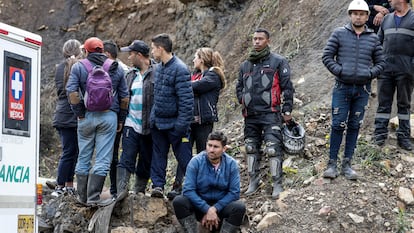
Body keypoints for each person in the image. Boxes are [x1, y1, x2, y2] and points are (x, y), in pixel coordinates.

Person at [322, 0, 385, 180]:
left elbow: (381, 62)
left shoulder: (373, 38)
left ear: (367, 16)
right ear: (350, 15)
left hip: (362, 90)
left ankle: (347, 164)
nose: (358, 16)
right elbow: (327, 56)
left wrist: (369, 73)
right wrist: (340, 71)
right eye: (355, 13)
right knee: (337, 124)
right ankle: (332, 164)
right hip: (342, 88)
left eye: (361, 14)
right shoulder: (339, 34)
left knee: (354, 125)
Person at [66, 37, 129, 206]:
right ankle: (94, 198)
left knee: (84, 155)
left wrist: (79, 112)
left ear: (86, 51)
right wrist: (121, 118)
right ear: (102, 51)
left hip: (86, 116)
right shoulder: (115, 67)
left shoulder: (79, 67)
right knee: (102, 158)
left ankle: (82, 197)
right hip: (109, 116)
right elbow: (124, 97)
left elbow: (71, 92)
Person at [236, 28, 294, 199]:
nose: (256, 42)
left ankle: (277, 184)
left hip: (271, 113)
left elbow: (287, 87)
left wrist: (287, 110)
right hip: (250, 115)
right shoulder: (245, 64)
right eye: (254, 39)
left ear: (268, 41)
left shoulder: (278, 61)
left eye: (260, 39)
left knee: (273, 149)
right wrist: (243, 100)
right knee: (250, 148)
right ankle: (253, 182)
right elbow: (239, 87)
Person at [167, 47, 226, 201]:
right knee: (183, 153)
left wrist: (181, 86)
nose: (193, 60)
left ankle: (205, 188)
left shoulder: (213, 76)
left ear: (202, 59)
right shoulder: (195, 75)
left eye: (195, 57)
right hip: (188, 121)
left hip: (203, 122)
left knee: (203, 153)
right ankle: (178, 187)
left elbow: (194, 87)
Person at [172, 131, 246, 233]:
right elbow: (188, 190)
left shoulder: (231, 164)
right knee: (179, 201)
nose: (211, 150)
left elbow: (234, 193)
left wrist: (214, 209)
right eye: (209, 145)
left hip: (221, 208)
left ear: (224, 149)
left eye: (216, 147)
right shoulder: (196, 162)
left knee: (239, 207)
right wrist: (207, 209)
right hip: (199, 206)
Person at [149, 33, 194, 198]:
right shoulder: (159, 67)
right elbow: (157, 95)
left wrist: (180, 126)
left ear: (161, 49)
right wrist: (153, 118)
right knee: (158, 156)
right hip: (159, 124)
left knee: (184, 159)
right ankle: (158, 187)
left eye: (153, 48)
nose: (152, 52)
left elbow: (186, 101)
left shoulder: (180, 69)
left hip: (175, 125)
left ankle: (192, 189)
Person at [116, 40, 155, 199]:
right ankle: (121, 191)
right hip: (130, 124)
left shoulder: (158, 72)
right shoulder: (130, 75)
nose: (129, 57)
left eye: (131, 54)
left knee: (146, 159)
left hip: (150, 125)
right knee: (126, 157)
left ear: (139, 55)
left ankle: (139, 191)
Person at [374, 0, 414, 151]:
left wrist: (412, 66)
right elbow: (378, 42)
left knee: (404, 105)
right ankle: (379, 135)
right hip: (385, 70)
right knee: (383, 103)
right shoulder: (387, 19)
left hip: (405, 71)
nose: (389, 0)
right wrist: (378, 63)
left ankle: (403, 137)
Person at [51, 39, 82, 197]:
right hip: (71, 114)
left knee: (71, 150)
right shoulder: (79, 67)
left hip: (61, 113)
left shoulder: (59, 68)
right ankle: (61, 184)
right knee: (71, 151)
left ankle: (68, 184)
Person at [103, 39, 130, 199]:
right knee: (113, 154)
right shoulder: (124, 70)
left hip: (95, 116)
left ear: (106, 54)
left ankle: (90, 192)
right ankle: (114, 189)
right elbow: (125, 97)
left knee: (97, 154)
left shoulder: (95, 67)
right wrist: (121, 119)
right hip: (116, 116)